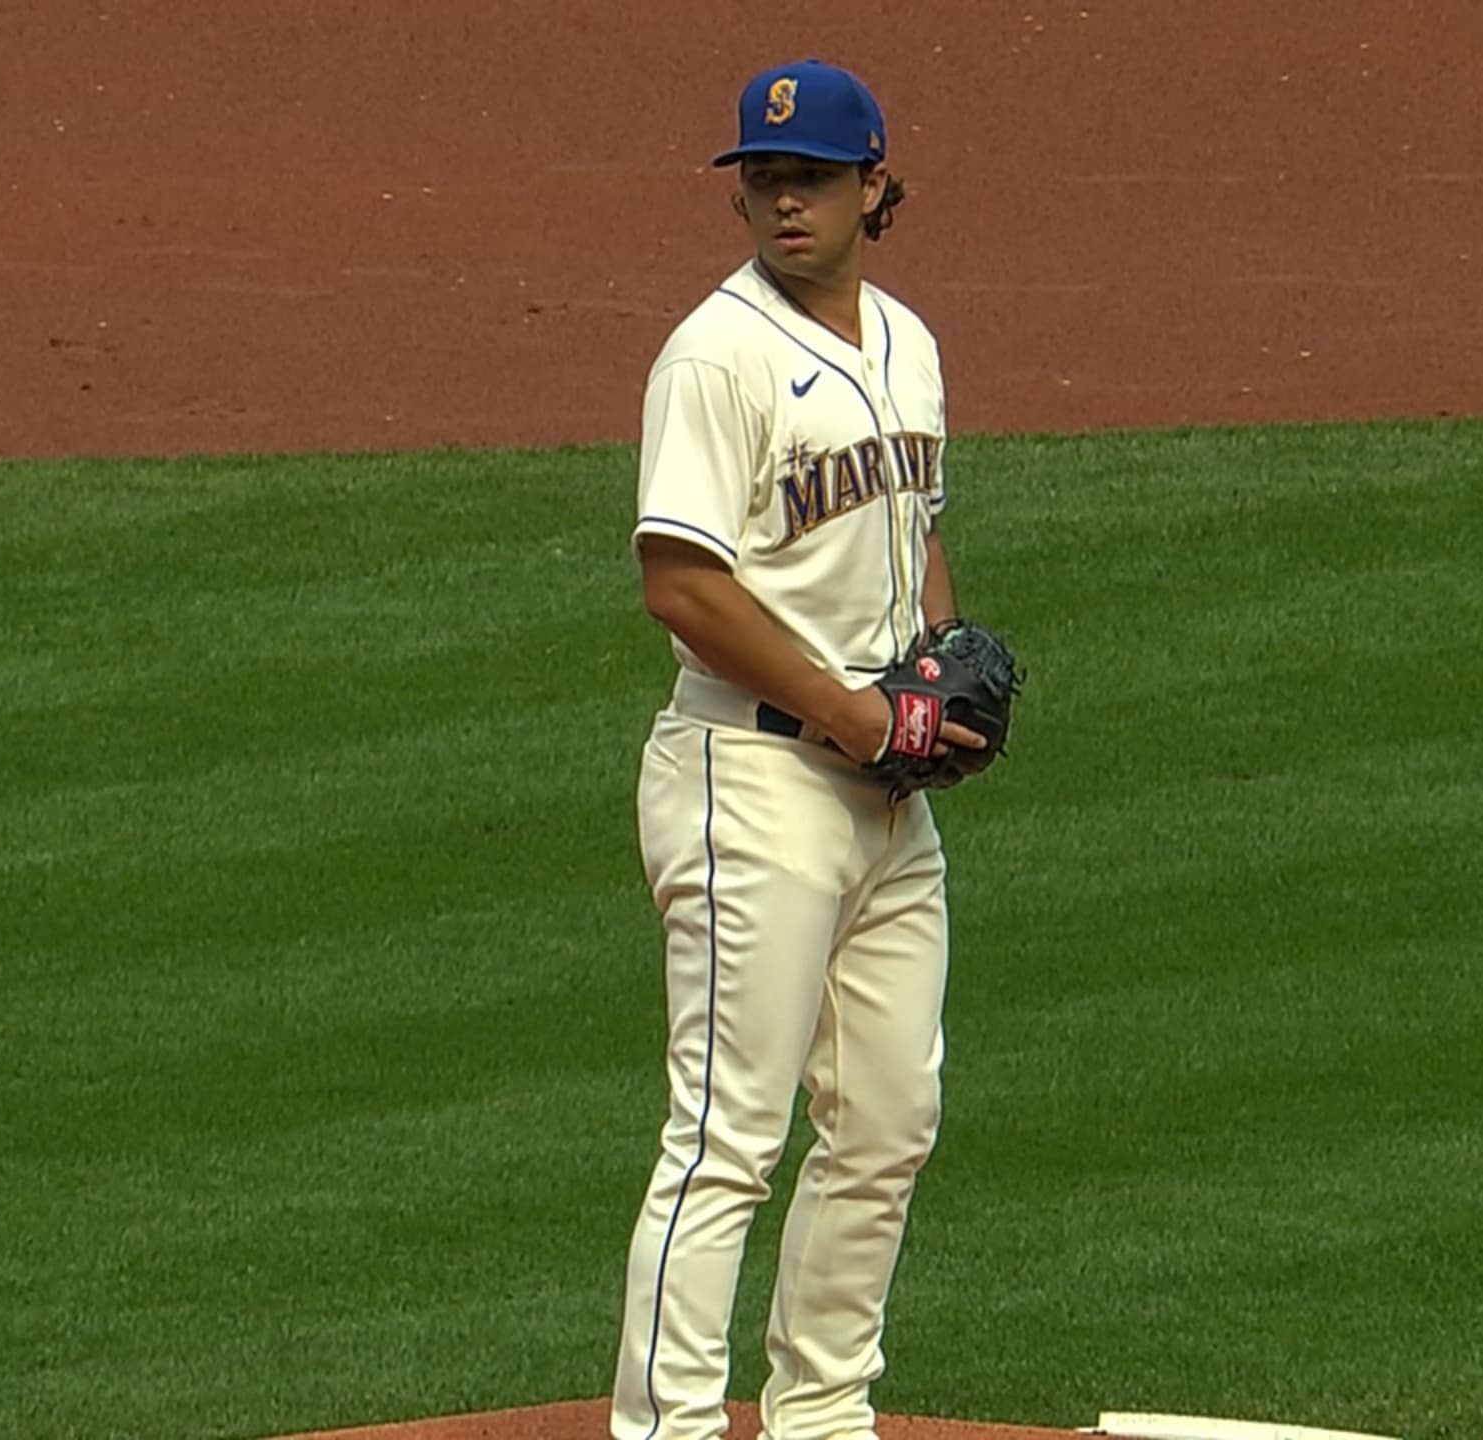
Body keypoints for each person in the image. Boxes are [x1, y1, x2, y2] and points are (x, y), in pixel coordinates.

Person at [611, 58, 985, 1440]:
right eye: (763, 178)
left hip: (882, 790)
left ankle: (824, 1415)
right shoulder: (717, 358)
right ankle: (670, 1430)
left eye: (813, 177)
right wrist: (862, 713)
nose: (784, 199)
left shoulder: (910, 341)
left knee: (887, 1121)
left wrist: (938, 673)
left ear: (877, 185)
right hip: (751, 780)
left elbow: (913, 529)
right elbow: (682, 585)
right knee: (726, 1141)